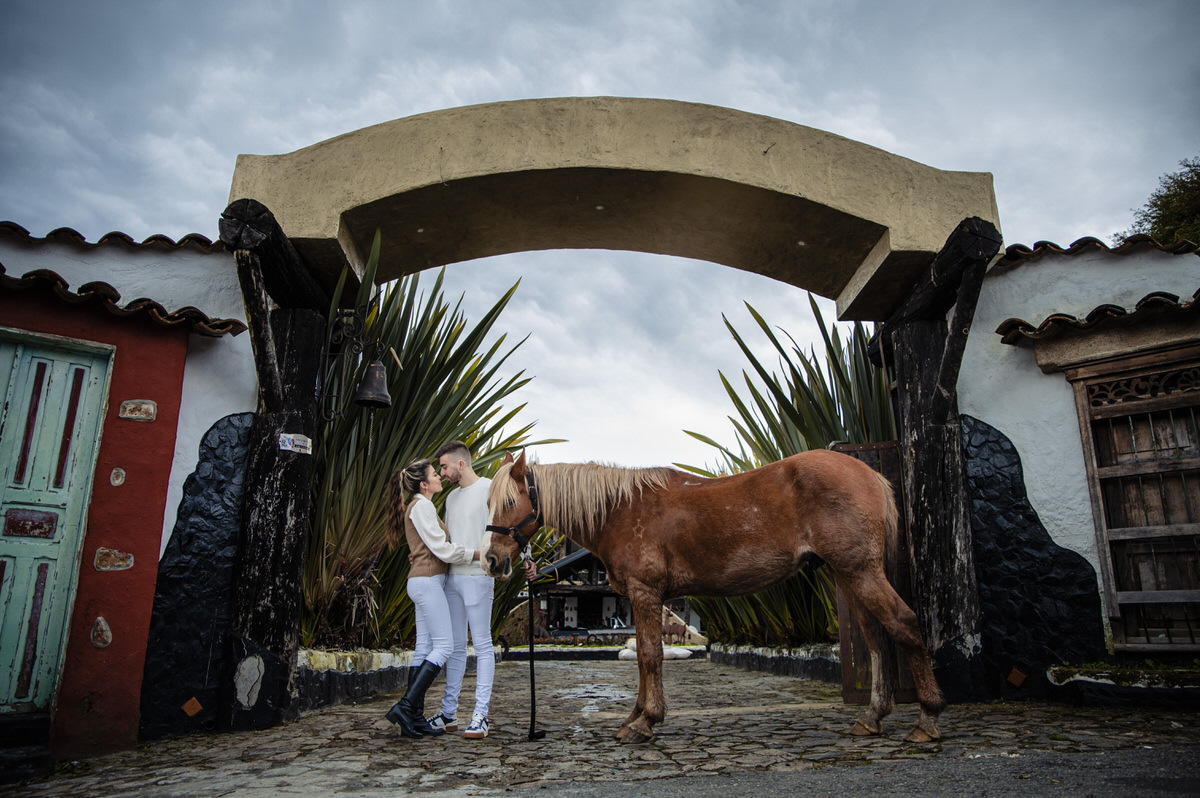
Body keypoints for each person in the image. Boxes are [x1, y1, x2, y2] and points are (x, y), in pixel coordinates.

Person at [384, 459, 482, 739]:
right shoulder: (423, 506)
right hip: (427, 582)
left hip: (423, 581)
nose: (440, 476)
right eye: (434, 474)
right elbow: (443, 549)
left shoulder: (419, 506)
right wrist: (477, 554)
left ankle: (412, 716)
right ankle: (405, 707)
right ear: (424, 485)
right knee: (445, 646)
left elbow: (428, 546)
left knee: (425, 647)